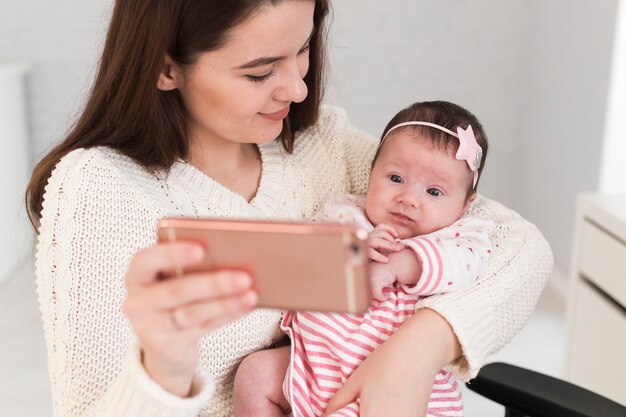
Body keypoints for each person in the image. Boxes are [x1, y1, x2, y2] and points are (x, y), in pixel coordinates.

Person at [25, 1, 553, 417]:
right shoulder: (101, 190)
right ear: (166, 67)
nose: (299, 89)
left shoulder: (320, 143)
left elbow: (519, 247)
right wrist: (162, 369)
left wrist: (414, 352)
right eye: (259, 73)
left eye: (302, 50)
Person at [232, 100, 494, 417]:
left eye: (434, 192)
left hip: (392, 391)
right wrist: (352, 251)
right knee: (255, 374)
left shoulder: (461, 236)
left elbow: (467, 265)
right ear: (371, 173)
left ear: (466, 205)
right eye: (395, 178)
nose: (408, 199)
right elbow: (305, 262)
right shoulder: (344, 213)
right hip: (309, 367)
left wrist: (400, 264)